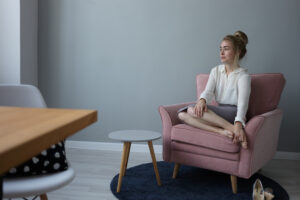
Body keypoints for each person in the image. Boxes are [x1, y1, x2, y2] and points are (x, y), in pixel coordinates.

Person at [177, 30, 251, 149]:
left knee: (191, 111)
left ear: (237, 51)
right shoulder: (215, 71)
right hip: (219, 111)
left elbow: (243, 105)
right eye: (220, 49)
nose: (221, 52)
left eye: (226, 49)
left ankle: (234, 128)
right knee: (182, 115)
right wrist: (202, 100)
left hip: (233, 112)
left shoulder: (243, 76)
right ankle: (224, 130)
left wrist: (238, 123)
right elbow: (208, 92)